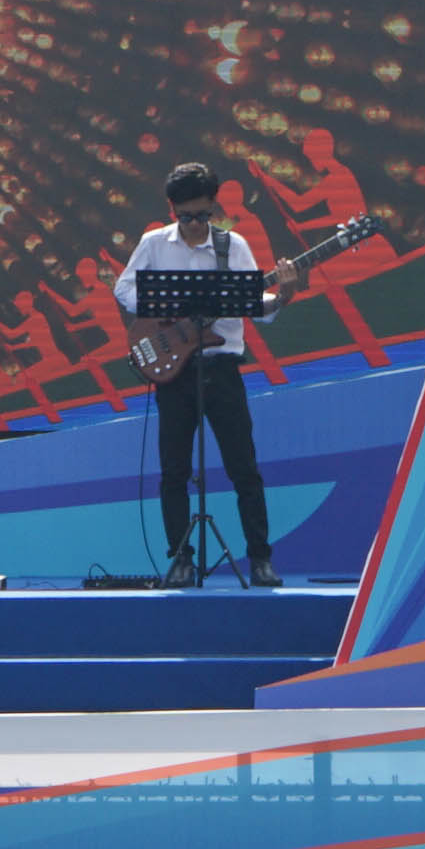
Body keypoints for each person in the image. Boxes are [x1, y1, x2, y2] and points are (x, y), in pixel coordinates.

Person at [114, 162, 297, 587]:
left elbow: (259, 306)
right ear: (172, 209)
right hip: (176, 371)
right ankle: (180, 557)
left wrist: (284, 293)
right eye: (186, 216)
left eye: (203, 215)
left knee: (243, 468)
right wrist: (164, 310)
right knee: (174, 470)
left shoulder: (232, 246)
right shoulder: (154, 243)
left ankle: (260, 559)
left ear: (214, 208)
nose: (196, 224)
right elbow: (123, 288)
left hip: (223, 367)